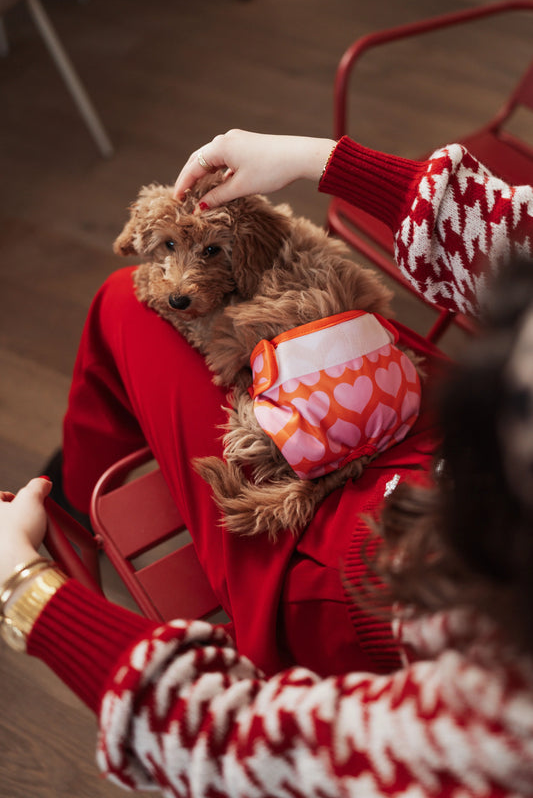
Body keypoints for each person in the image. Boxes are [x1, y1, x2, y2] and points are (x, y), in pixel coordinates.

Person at [2, 131, 532, 796]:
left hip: (359, 557)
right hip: (433, 445)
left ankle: (71, 497)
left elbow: (237, 747)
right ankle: (79, 484)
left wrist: (24, 588)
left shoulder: (495, 720)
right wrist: (322, 160)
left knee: (123, 300)